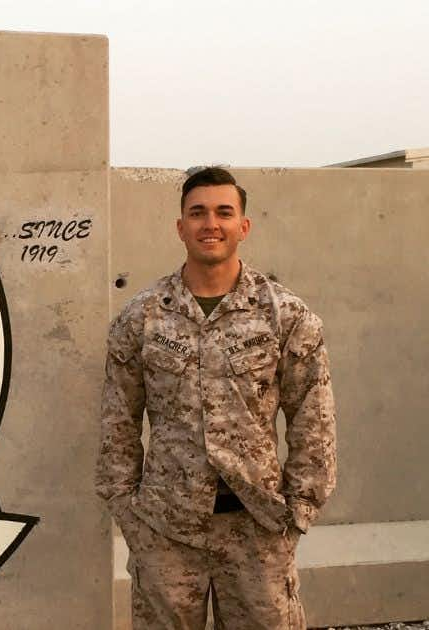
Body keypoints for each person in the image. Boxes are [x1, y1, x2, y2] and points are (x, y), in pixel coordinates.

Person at [94, 167, 336, 629]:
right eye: (198, 213)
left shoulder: (284, 315)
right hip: (166, 529)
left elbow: (313, 418)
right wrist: (130, 515)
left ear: (243, 226)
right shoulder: (142, 318)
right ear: (180, 227)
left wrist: (299, 512)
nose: (211, 224)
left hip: (258, 530)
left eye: (225, 212)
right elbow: (118, 422)